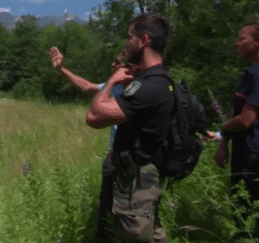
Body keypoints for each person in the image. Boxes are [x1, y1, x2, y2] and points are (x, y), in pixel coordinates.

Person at [86, 13, 173, 243]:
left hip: (137, 181)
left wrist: (113, 81)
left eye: (130, 37)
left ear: (144, 40)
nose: (127, 43)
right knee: (153, 234)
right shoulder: (158, 81)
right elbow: (98, 119)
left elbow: (94, 114)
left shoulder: (149, 87)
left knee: (134, 235)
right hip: (142, 176)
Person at [49, 47, 136, 241]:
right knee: (106, 211)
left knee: (134, 214)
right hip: (114, 157)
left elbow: (94, 115)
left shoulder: (141, 88)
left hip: (135, 160)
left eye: (117, 61)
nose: (112, 64)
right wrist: (61, 69)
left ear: (130, 66)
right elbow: (88, 87)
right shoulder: (115, 84)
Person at [215, 20, 259, 239]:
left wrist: (222, 128)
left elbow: (245, 120)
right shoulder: (255, 72)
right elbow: (236, 111)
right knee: (245, 206)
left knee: (251, 209)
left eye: (242, 39)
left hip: (258, 150)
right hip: (246, 147)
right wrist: (223, 143)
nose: (237, 44)